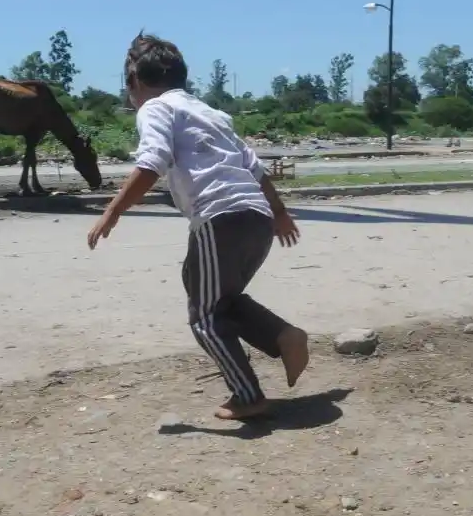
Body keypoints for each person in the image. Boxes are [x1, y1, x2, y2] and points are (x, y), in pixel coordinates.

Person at [87, 32, 309, 420]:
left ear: (135, 82)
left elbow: (152, 162)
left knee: (205, 316)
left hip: (219, 217)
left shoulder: (155, 109)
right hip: (255, 218)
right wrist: (280, 214)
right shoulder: (213, 114)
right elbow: (254, 169)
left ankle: (248, 396)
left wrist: (113, 211)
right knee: (213, 294)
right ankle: (283, 337)